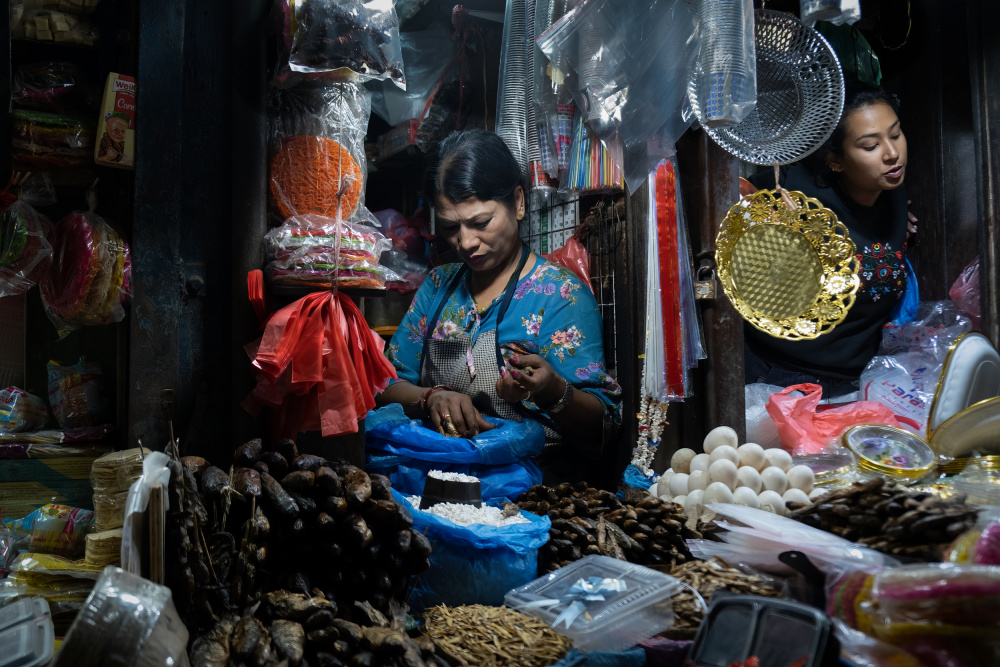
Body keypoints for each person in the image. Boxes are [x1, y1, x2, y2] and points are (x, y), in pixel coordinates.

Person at [377, 129, 621, 482]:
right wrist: (431, 396)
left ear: (519, 202)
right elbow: (383, 384)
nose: (466, 242)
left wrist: (553, 390)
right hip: (435, 485)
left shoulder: (559, 296)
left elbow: (604, 429)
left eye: (481, 223)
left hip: (533, 497)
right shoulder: (437, 287)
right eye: (450, 228)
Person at [744, 82, 918, 397]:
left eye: (895, 135)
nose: (893, 154)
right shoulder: (794, 193)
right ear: (835, 160)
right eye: (870, 146)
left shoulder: (890, 186)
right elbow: (732, 201)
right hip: (780, 377)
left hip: (857, 379)